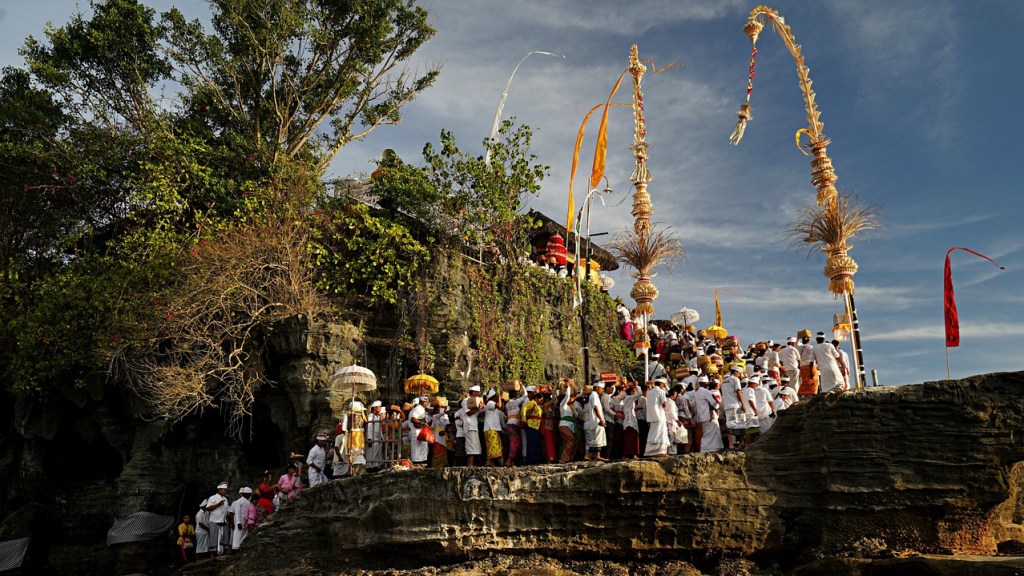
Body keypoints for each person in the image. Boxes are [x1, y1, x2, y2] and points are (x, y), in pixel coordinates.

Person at [721, 365, 747, 450]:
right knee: (741, 424)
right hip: (735, 405)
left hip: (728, 406)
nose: (740, 375)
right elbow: (739, 392)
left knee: (730, 425)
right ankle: (741, 443)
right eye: (739, 373)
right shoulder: (735, 379)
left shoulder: (724, 381)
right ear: (735, 372)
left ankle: (731, 445)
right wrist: (743, 404)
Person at [695, 378, 723, 453]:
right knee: (710, 433)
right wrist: (717, 409)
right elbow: (713, 403)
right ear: (705, 383)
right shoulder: (705, 391)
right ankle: (707, 449)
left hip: (702, 416)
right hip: (709, 415)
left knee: (707, 433)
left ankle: (712, 448)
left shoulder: (697, 392)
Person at [643, 379, 670, 457]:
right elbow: (664, 404)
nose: (664, 386)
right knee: (661, 433)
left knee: (653, 433)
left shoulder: (650, 392)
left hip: (651, 416)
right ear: (661, 384)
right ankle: (660, 452)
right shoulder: (661, 392)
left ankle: (651, 452)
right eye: (663, 384)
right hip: (659, 415)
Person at [583, 382, 608, 461]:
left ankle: (591, 455)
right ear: (597, 388)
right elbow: (595, 407)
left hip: (596, 420)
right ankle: (596, 455)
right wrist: (600, 419)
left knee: (596, 439)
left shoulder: (595, 396)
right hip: (596, 420)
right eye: (601, 389)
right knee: (597, 439)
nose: (602, 391)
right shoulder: (594, 395)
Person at [521, 386, 544, 465]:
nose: (542, 401)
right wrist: (524, 419)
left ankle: (536, 460)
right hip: (531, 425)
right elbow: (524, 408)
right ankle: (531, 460)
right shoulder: (532, 403)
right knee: (532, 443)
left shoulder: (538, 406)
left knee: (536, 443)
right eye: (541, 400)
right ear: (537, 398)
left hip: (536, 426)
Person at [205, 483, 229, 556]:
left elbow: (226, 510)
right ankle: (212, 554)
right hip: (214, 521)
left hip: (223, 521)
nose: (225, 491)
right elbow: (208, 508)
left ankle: (223, 553)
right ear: (219, 490)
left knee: (224, 537)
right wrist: (218, 504)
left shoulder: (225, 499)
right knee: (213, 538)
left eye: (226, 490)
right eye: (224, 490)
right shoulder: (213, 498)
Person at [504, 385, 525, 466]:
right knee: (516, 444)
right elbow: (525, 395)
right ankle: (509, 460)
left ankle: (512, 462)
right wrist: (522, 386)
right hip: (513, 425)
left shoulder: (507, 404)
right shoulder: (515, 402)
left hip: (508, 424)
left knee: (511, 443)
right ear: (516, 397)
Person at [462, 386, 484, 466]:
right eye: (477, 393)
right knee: (471, 446)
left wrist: (481, 409)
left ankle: (473, 465)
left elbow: (475, 414)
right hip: (469, 426)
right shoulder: (465, 401)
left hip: (474, 426)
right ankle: (470, 465)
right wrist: (478, 409)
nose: (478, 395)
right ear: (474, 392)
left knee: (476, 447)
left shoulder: (475, 402)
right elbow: (468, 413)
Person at [482, 390, 505, 466]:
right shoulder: (490, 403)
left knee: (493, 446)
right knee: (492, 446)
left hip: (492, 427)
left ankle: (491, 463)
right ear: (494, 396)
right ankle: (488, 461)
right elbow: (499, 406)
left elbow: (501, 408)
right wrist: (499, 397)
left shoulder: (491, 403)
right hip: (490, 427)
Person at [408, 396, 432, 466]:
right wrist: (422, 423)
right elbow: (413, 419)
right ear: (423, 402)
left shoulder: (421, 409)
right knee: (417, 451)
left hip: (420, 432)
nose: (427, 403)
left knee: (422, 450)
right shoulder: (418, 409)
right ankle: (416, 465)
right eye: (426, 402)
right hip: (417, 432)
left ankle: (421, 464)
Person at [557, 382, 577, 463]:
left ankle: (567, 458)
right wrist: (568, 387)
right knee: (570, 442)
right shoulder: (562, 404)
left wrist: (572, 385)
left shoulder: (569, 407)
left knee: (567, 443)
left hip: (569, 426)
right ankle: (563, 459)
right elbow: (568, 396)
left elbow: (576, 395)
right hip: (564, 425)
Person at [621, 384, 641, 459]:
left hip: (630, 419)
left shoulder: (628, 398)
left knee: (630, 437)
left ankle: (631, 454)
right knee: (631, 437)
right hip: (630, 420)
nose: (636, 392)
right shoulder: (629, 397)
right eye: (635, 391)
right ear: (632, 392)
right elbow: (640, 394)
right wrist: (637, 386)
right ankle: (630, 454)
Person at [229, 487, 252, 552]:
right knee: (237, 535)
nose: (250, 495)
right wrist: (238, 522)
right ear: (245, 494)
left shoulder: (248, 502)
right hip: (239, 522)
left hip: (245, 522)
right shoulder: (239, 501)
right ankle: (235, 549)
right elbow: (237, 512)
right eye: (249, 494)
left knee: (244, 535)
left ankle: (240, 548)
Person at [365, 401, 385, 470]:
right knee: (371, 453)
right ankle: (369, 466)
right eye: (379, 407)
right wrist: (369, 438)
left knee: (377, 453)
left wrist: (381, 437)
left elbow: (379, 429)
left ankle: (376, 466)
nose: (380, 408)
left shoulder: (377, 417)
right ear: (375, 408)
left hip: (378, 437)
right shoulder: (370, 416)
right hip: (372, 437)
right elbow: (369, 427)